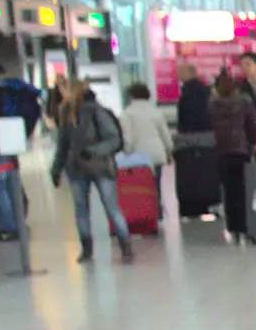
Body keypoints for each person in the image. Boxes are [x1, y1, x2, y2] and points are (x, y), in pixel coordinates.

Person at [50, 81, 133, 264]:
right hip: (78, 167)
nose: (62, 94)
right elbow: (63, 144)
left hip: (98, 165)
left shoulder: (97, 111)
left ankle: (124, 245)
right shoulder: (66, 113)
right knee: (86, 208)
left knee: (107, 207)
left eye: (65, 90)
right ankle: (89, 247)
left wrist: (93, 151)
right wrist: (56, 168)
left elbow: (114, 139)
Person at [0, 61, 41, 243]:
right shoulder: (13, 89)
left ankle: (8, 226)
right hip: (11, 139)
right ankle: (18, 222)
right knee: (11, 183)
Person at [209, 67, 256, 242]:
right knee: (242, 189)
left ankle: (232, 228)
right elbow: (254, 124)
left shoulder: (213, 105)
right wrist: (254, 142)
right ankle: (243, 226)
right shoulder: (244, 102)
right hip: (241, 150)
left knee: (228, 191)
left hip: (221, 151)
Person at [120, 82, 173, 218]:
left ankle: (147, 213)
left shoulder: (127, 114)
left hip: (139, 157)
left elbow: (128, 138)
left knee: (142, 187)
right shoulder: (156, 112)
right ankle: (158, 213)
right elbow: (165, 135)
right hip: (157, 154)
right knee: (156, 185)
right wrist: (168, 152)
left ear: (131, 96)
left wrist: (126, 154)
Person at [175, 62, 213, 134]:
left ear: (186, 73)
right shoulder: (203, 87)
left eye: (179, 72)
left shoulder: (189, 90)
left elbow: (188, 113)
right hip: (206, 129)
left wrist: (182, 129)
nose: (177, 75)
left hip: (193, 132)